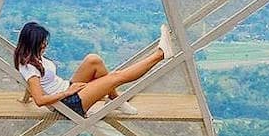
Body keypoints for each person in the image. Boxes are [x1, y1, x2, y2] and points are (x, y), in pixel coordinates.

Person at [13, 21, 174, 117]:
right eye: (42, 42)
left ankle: (114, 99)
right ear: (32, 43)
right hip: (68, 104)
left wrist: (25, 98)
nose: (45, 45)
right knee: (116, 77)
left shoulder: (31, 57)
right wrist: (67, 93)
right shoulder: (28, 67)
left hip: (68, 90)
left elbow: (32, 86)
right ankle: (160, 54)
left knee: (93, 60)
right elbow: (40, 100)